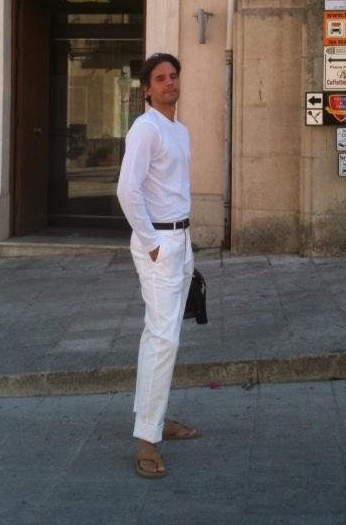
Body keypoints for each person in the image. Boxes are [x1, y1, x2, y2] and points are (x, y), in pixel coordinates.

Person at [117, 52, 200, 479]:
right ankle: (147, 441)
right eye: (161, 78)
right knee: (163, 339)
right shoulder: (145, 128)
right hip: (159, 244)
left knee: (161, 336)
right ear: (147, 88)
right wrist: (151, 243)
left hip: (180, 240)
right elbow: (127, 190)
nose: (170, 83)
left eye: (174, 76)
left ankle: (154, 418)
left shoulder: (178, 131)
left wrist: (183, 244)